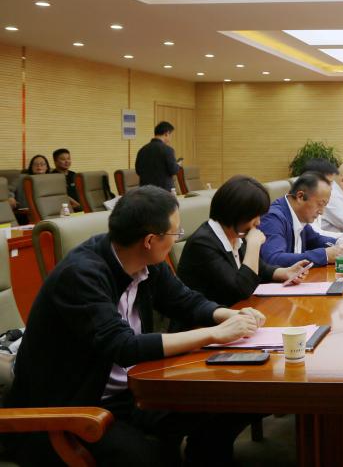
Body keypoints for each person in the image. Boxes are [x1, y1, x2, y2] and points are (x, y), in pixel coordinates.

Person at [7, 186, 264, 466]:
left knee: (224, 406)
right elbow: (123, 346)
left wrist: (228, 316)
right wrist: (214, 334)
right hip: (70, 410)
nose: (177, 238)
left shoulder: (145, 262)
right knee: (148, 457)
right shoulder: (81, 275)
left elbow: (184, 300)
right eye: (175, 233)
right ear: (150, 240)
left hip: (131, 392)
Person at [176, 175, 312, 307]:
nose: (258, 222)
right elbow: (241, 290)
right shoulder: (202, 244)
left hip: (237, 314)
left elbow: (261, 268)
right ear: (236, 213)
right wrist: (253, 245)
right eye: (255, 216)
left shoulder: (236, 234)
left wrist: (285, 272)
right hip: (207, 320)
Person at [258, 173, 343, 268]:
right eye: (320, 204)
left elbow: (315, 239)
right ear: (300, 196)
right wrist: (324, 255)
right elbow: (274, 259)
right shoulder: (273, 218)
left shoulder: (298, 215)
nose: (321, 212)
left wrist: (340, 243)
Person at [135, 121, 179, 191]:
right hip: (163, 191)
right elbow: (173, 170)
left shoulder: (142, 150)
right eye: (170, 135)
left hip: (145, 191)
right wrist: (178, 165)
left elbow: (138, 171)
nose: (170, 139)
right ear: (167, 133)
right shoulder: (168, 150)